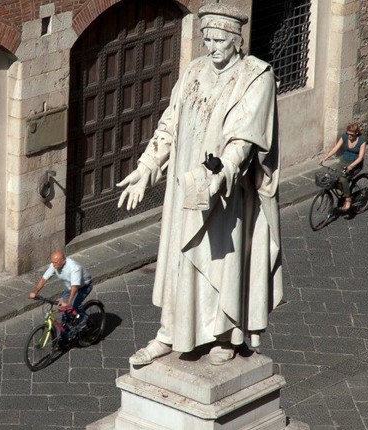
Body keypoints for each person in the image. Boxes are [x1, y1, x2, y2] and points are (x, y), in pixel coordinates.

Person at [116, 3, 283, 366]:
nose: (213, 46)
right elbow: (170, 123)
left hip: (226, 192)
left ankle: (225, 332)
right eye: (207, 38)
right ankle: (169, 333)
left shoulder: (256, 77)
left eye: (220, 38)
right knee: (181, 259)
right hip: (185, 187)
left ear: (238, 40)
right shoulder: (193, 71)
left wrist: (220, 176)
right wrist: (147, 166)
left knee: (219, 259)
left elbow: (246, 139)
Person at [30, 250, 93, 331]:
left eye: (55, 262)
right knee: (64, 307)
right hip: (70, 287)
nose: (53, 264)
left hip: (83, 286)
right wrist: (35, 291)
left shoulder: (74, 267)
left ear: (63, 261)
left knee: (74, 305)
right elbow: (44, 279)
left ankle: (84, 319)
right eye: (52, 262)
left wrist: (68, 303)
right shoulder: (54, 265)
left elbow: (75, 286)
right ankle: (68, 326)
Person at [320, 123, 367, 211]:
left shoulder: (361, 141)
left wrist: (351, 166)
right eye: (348, 133)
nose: (349, 136)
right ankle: (344, 189)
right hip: (343, 161)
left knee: (343, 178)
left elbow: (360, 157)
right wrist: (325, 158)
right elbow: (335, 149)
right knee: (332, 175)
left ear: (356, 133)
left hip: (355, 164)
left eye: (351, 135)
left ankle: (348, 199)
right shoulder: (344, 137)